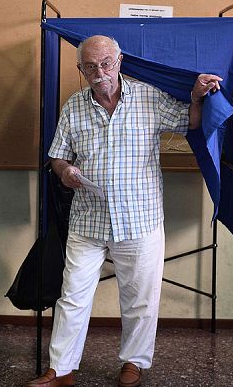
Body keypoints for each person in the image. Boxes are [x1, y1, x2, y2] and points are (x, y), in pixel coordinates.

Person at [26, 35, 221, 387]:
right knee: (72, 296)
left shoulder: (146, 96)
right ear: (80, 69)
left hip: (139, 218)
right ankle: (61, 370)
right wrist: (65, 171)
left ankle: (134, 363)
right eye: (90, 66)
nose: (99, 72)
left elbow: (188, 122)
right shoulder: (73, 106)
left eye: (105, 63)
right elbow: (57, 155)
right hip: (88, 218)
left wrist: (195, 96)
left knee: (140, 300)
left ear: (119, 62)